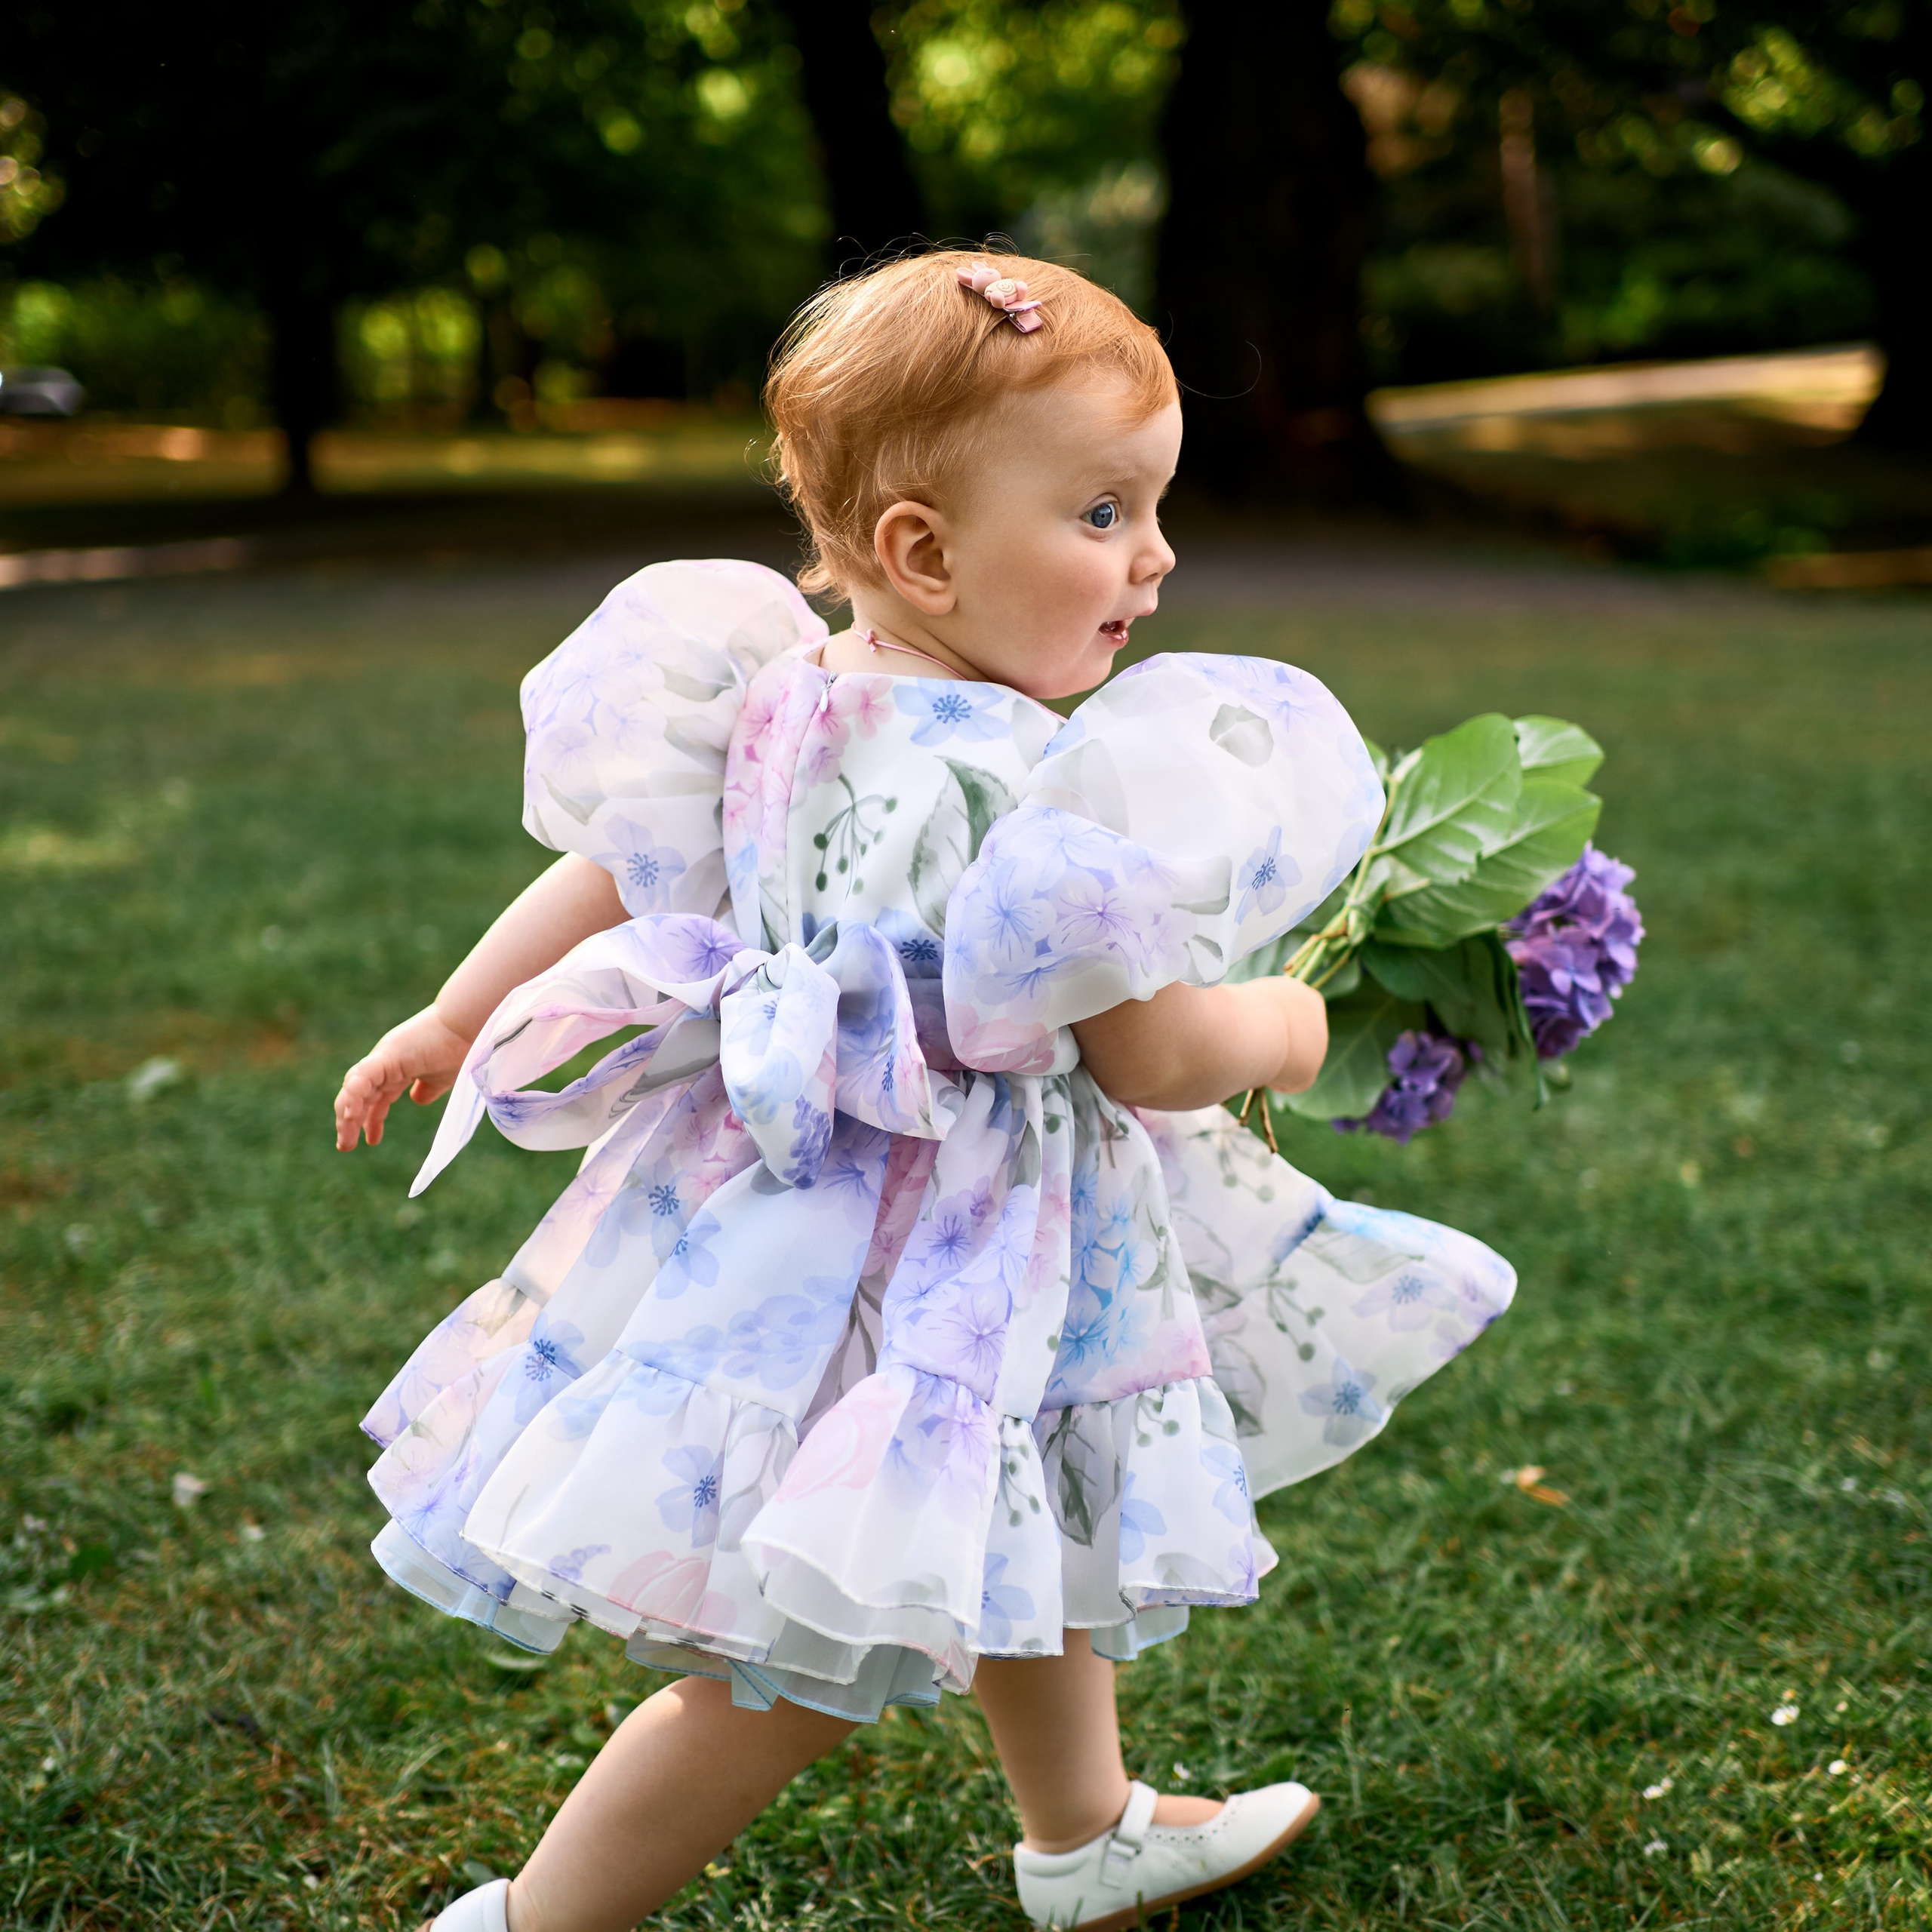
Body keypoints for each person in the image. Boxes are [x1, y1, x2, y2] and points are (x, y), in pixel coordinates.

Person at [334, 250, 1516, 1932]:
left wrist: (455, 1013)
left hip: (804, 1198)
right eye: (1104, 512)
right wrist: (1284, 1026)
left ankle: (1086, 1826)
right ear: (921, 549)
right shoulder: (1041, 788)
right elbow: (1154, 1052)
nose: (1156, 557)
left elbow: (620, 873)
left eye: (1154, 507)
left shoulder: (776, 693)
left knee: (1023, 1486)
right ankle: (534, 1919)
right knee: (790, 1658)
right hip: (916, 1248)